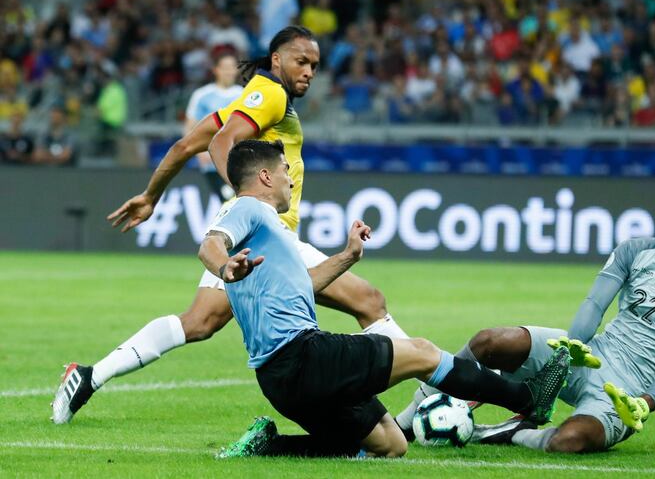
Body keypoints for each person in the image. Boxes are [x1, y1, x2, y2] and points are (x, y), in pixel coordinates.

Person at [51, 26, 409, 425]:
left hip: (252, 235)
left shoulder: (251, 102)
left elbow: (186, 146)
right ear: (277, 60)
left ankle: (88, 377)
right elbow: (222, 143)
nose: (309, 71)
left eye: (314, 65)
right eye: (301, 61)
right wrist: (249, 200)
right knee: (369, 302)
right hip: (269, 234)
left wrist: (152, 196)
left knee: (200, 322)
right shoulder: (270, 95)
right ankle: (429, 399)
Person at [201, 139, 573, 458]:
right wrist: (224, 269)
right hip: (303, 357)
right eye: (285, 169)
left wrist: (347, 256)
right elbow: (210, 245)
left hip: (280, 380)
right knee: (424, 353)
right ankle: (526, 399)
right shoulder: (247, 208)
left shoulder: (270, 231)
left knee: (391, 444)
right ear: (265, 176)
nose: (291, 177)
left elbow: (304, 285)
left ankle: (272, 446)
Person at [396, 182, 655, 453]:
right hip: (588, 356)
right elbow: (594, 305)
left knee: (568, 441)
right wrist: (570, 348)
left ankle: (511, 433)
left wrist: (643, 403)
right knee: (490, 341)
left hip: (625, 393)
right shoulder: (636, 250)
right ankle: (406, 424)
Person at [184, 50, 243, 200]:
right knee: (229, 201)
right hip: (211, 163)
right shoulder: (202, 95)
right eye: (225, 67)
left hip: (238, 163)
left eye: (232, 67)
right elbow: (190, 127)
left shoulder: (243, 95)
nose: (229, 71)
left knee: (235, 203)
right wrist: (199, 152)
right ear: (216, 70)